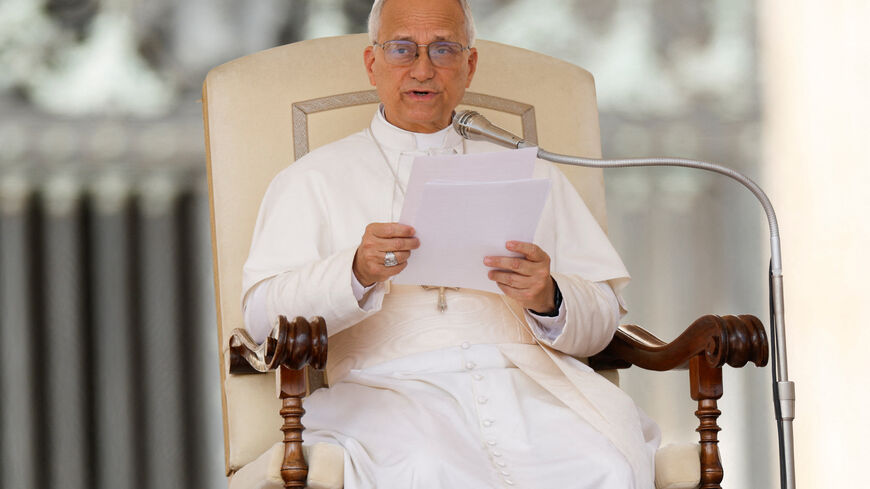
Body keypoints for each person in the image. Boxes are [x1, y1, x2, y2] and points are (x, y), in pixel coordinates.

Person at [242, 0, 659, 487]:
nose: (423, 69)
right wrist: (355, 271)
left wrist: (550, 298)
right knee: (424, 469)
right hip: (387, 393)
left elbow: (603, 316)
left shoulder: (531, 170)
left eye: (443, 49)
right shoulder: (311, 180)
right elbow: (260, 318)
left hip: (532, 389)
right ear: (372, 63)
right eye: (403, 49)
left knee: (605, 463)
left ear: (469, 65)